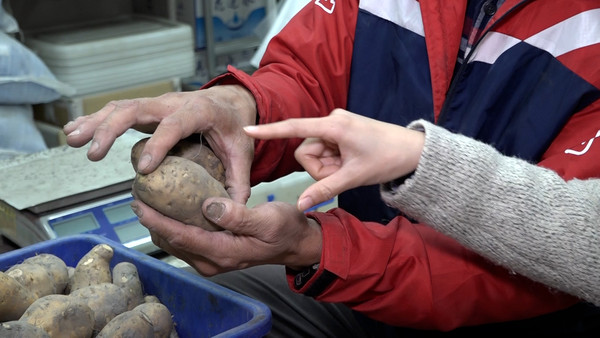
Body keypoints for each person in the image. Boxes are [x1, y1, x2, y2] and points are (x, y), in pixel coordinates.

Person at [63, 0, 600, 336]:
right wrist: (240, 109)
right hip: (362, 296)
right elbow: (310, 73)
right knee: (184, 308)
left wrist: (320, 249)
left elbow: (566, 245)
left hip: (517, 317)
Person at [243, 108, 600, 308]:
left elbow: (584, 244)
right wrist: (241, 99)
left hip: (513, 307)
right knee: (233, 291)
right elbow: (309, 60)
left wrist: (420, 160)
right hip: (369, 269)